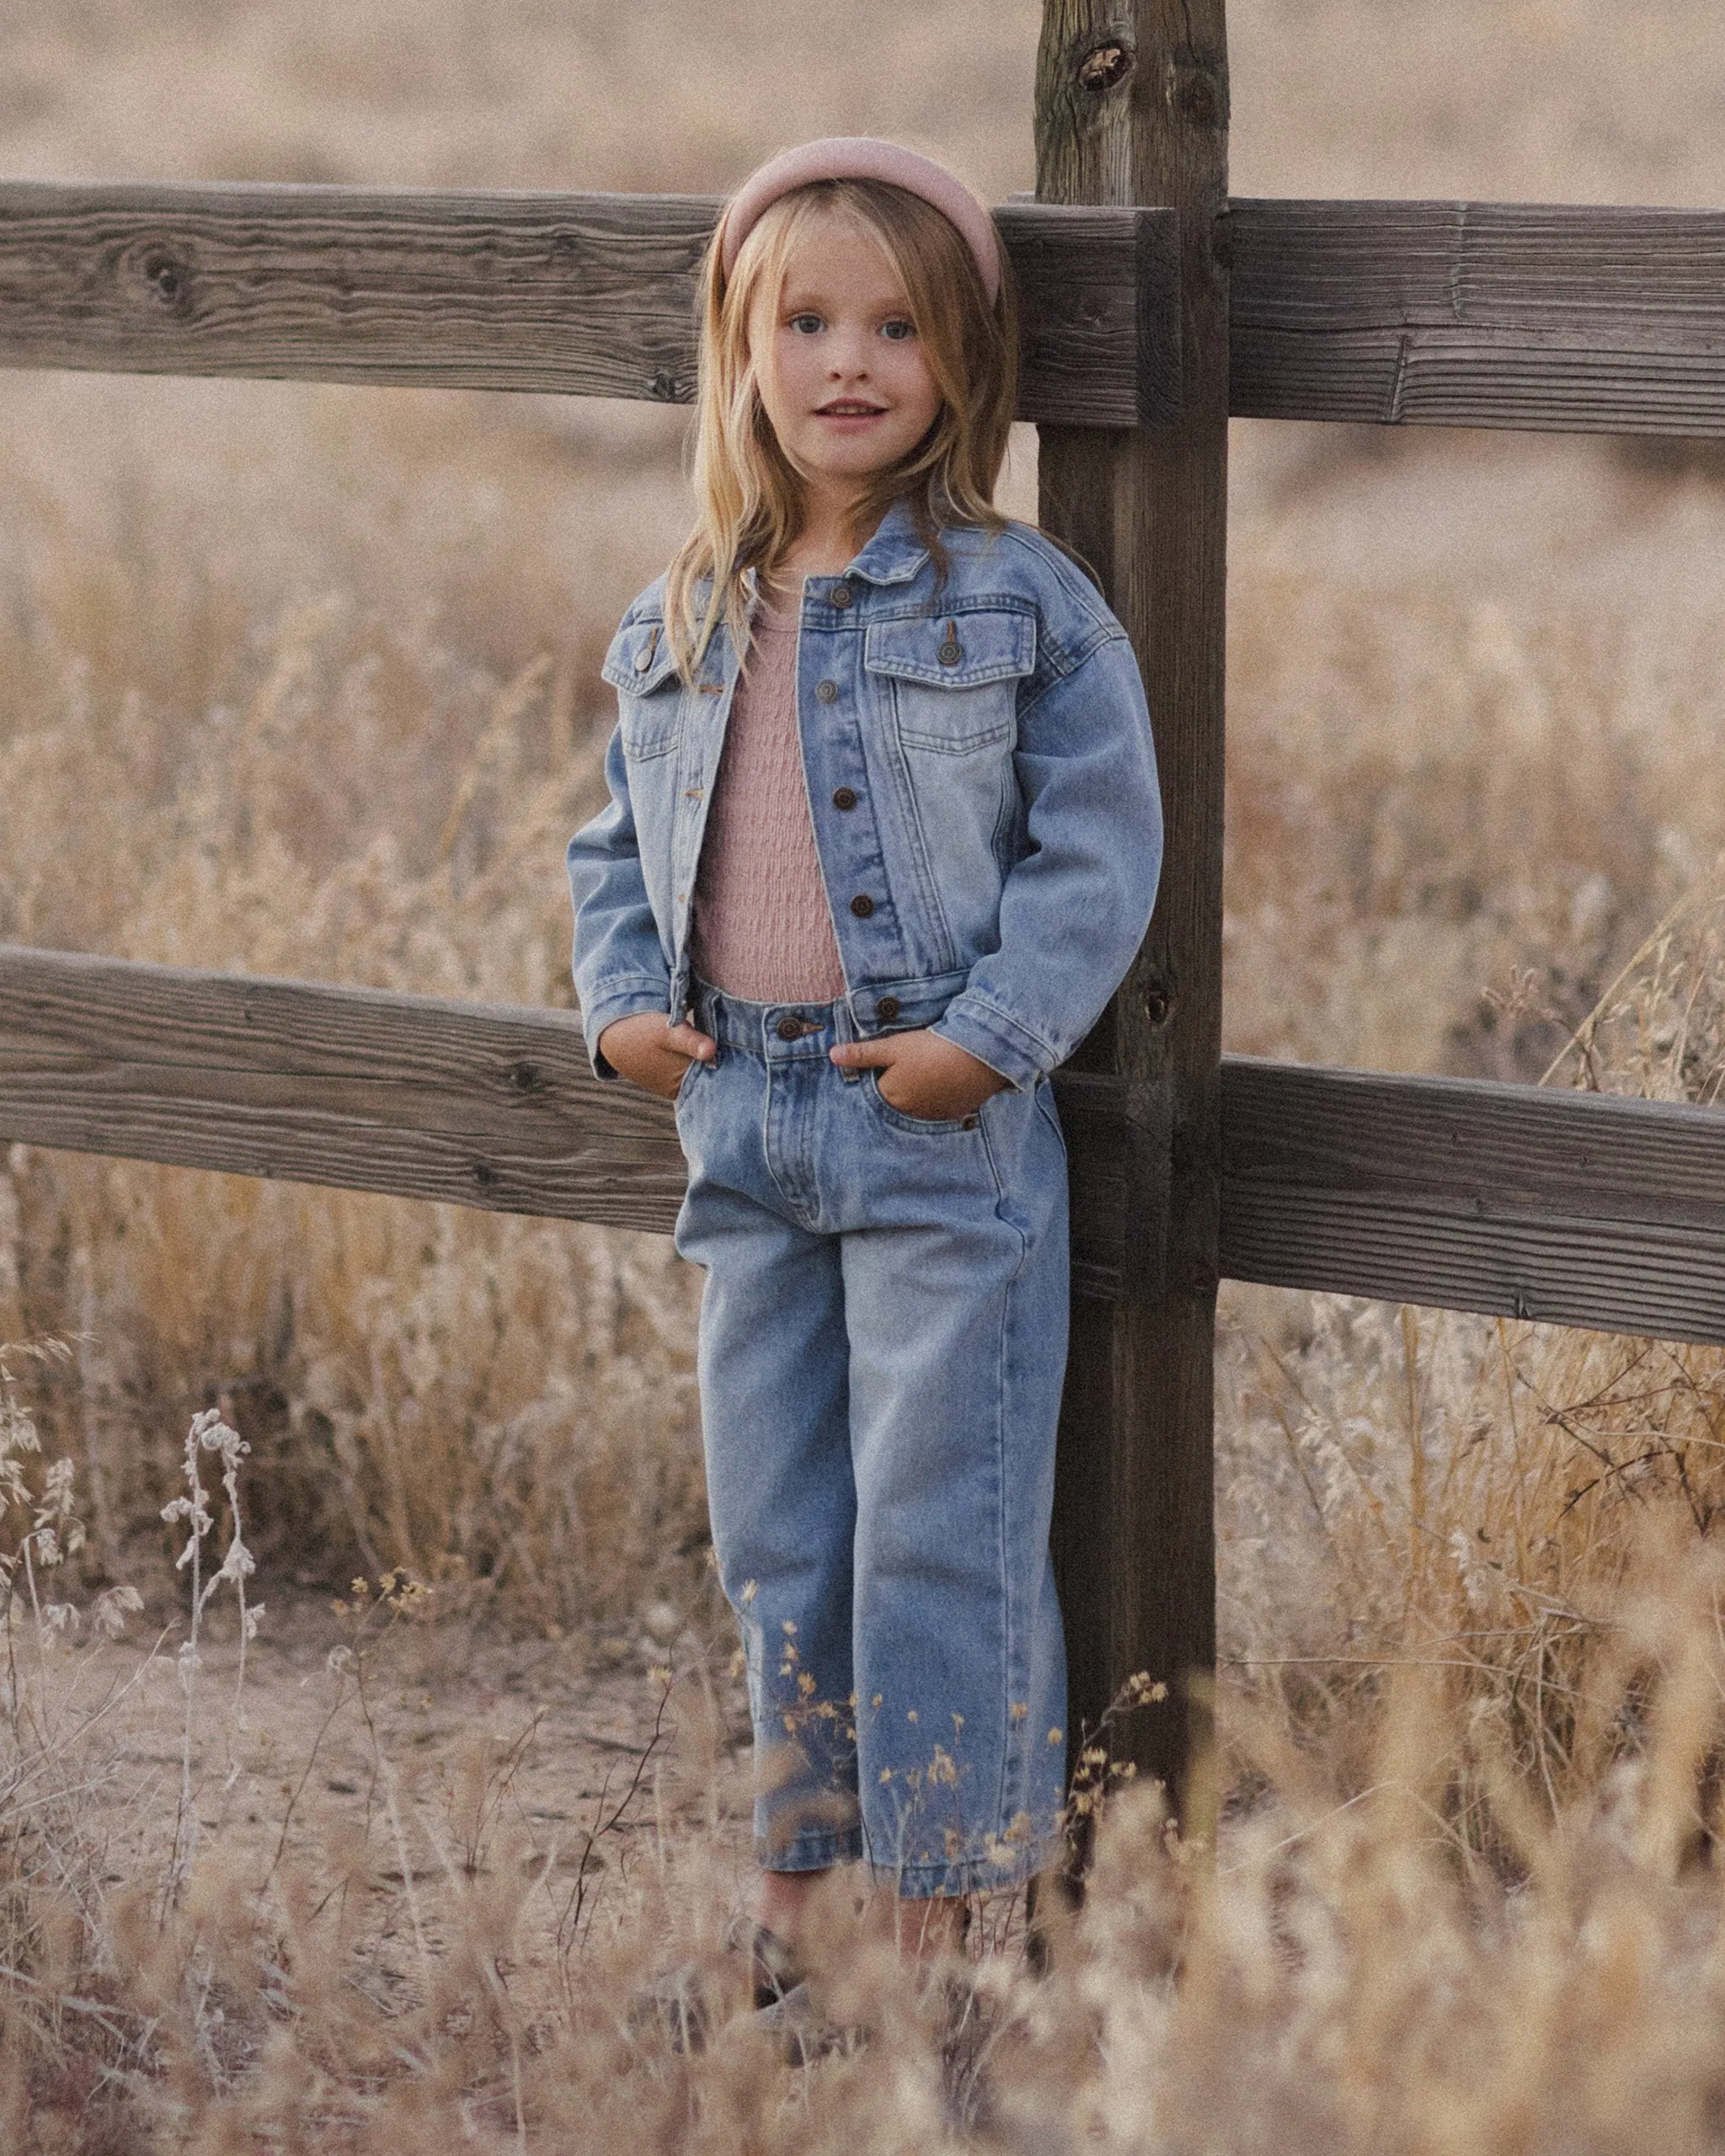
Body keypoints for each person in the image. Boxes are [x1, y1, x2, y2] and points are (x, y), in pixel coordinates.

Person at [567, 137, 1162, 2000]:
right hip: (738, 1112)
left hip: (930, 1125)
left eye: (895, 326)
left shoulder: (1014, 600)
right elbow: (610, 841)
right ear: (740, 351)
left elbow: (1101, 844)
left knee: (941, 1527)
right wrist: (613, 1001)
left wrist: (986, 1040)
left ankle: (936, 1924)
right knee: (780, 1534)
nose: (848, 360)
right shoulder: (683, 607)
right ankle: (792, 1904)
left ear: (959, 362)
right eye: (805, 321)